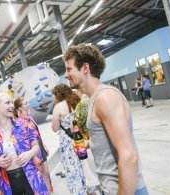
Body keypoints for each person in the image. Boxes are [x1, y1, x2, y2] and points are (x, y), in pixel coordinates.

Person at [63, 44, 148, 195]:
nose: (65, 74)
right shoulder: (93, 99)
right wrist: (90, 142)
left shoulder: (105, 98)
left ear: (85, 68)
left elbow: (128, 156)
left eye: (69, 69)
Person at [0, 92, 48, 195]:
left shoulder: (24, 125)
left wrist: (29, 153)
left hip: (31, 176)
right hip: (8, 182)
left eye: (12, 102)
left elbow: (36, 146)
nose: (12, 105)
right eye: (7, 103)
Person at [51, 84, 86, 195]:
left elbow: (55, 128)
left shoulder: (58, 106)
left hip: (67, 141)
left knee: (72, 168)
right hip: (80, 138)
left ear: (58, 94)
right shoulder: (77, 101)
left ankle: (77, 191)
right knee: (84, 166)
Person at [13, 97, 53, 193]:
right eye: (25, 103)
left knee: (46, 172)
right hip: (34, 150)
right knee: (40, 175)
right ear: (19, 108)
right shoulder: (20, 121)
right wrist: (34, 154)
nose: (28, 104)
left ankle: (48, 192)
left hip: (39, 146)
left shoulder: (30, 117)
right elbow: (26, 141)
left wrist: (43, 145)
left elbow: (37, 134)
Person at [73, 90, 100, 195]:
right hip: (96, 141)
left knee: (91, 177)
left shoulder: (82, 103)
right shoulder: (93, 97)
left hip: (86, 143)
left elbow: (75, 125)